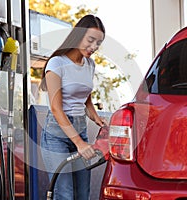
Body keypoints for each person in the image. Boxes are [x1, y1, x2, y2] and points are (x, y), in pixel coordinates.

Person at [40, 15, 107, 200]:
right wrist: (79, 143)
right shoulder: (57, 63)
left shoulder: (90, 64)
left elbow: (85, 98)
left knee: (82, 193)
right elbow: (56, 108)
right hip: (57, 134)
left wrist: (96, 117)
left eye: (98, 43)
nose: (93, 47)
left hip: (80, 128)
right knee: (65, 194)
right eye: (90, 40)